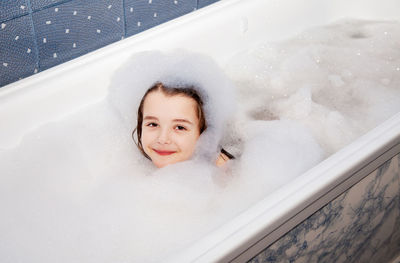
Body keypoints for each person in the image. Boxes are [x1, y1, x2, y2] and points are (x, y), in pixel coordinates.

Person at [132, 82, 234, 168]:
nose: (162, 139)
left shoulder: (222, 177)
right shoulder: (131, 169)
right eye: (153, 124)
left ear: (204, 132)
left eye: (180, 127)